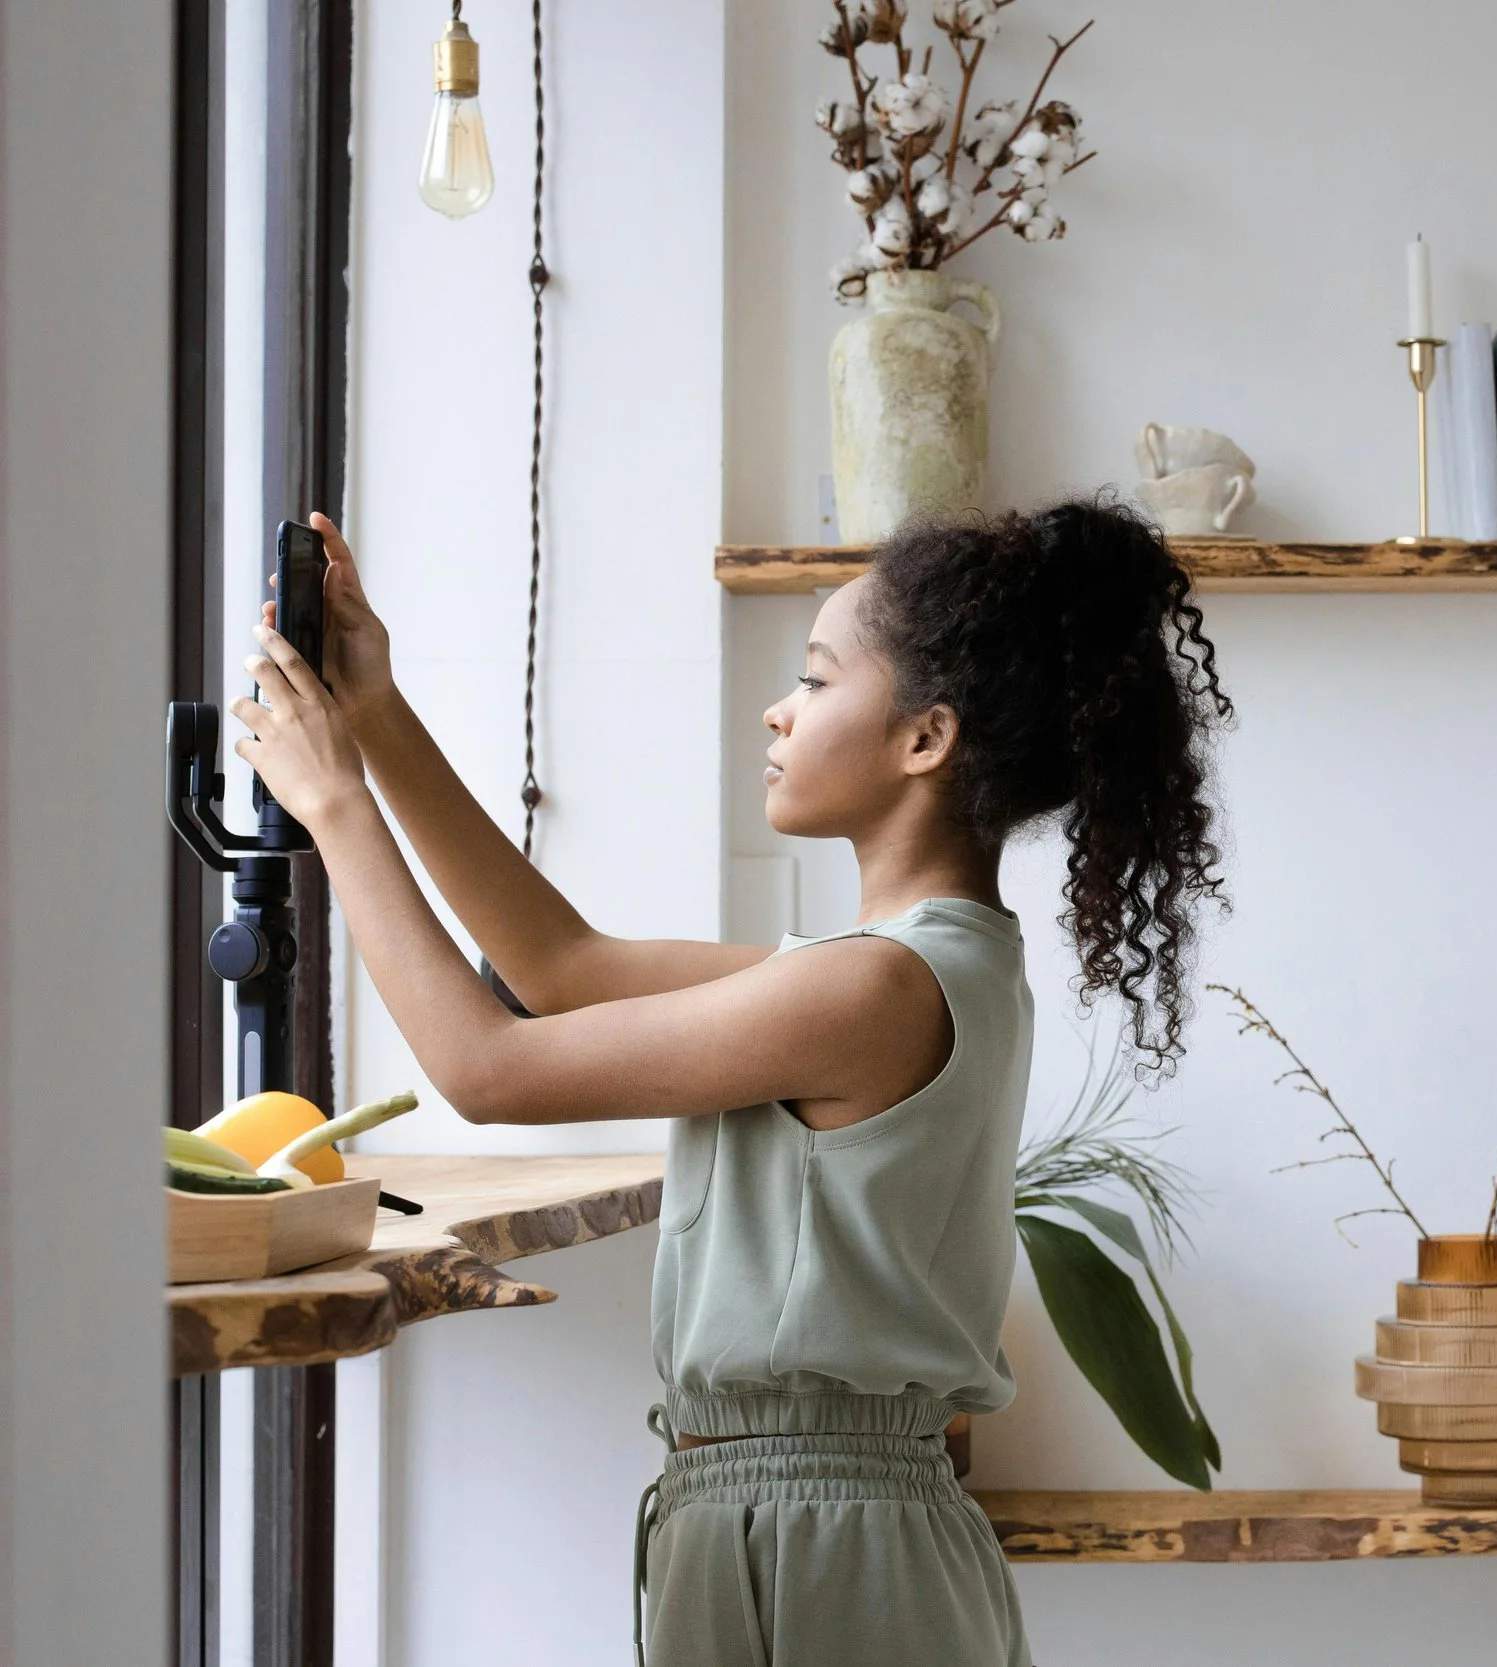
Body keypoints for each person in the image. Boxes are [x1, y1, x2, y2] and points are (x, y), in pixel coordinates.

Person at [231, 500, 1231, 1667]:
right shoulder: (894, 970)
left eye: (814, 679)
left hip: (820, 1540)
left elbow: (485, 1065)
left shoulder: (873, 990)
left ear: (926, 738)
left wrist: (337, 805)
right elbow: (562, 971)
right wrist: (376, 714)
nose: (779, 707)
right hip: (803, 1525)